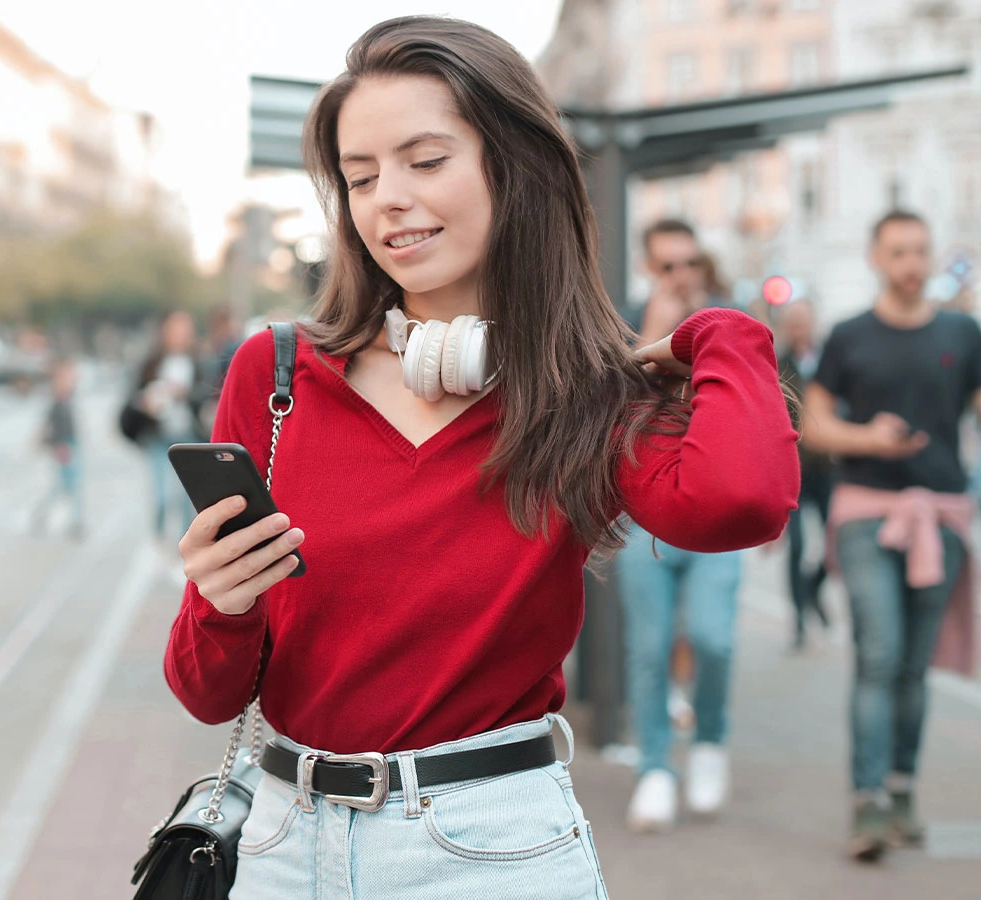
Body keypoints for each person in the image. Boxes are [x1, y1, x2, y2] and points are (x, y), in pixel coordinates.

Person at [162, 17, 796, 897]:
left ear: (514, 167)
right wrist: (218, 602)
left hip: (492, 851)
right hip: (282, 847)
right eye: (360, 176)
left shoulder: (589, 392)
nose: (387, 197)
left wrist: (726, 335)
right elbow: (206, 693)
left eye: (425, 162)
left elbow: (739, 505)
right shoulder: (275, 379)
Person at [802, 210, 981, 862]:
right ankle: (868, 803)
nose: (912, 262)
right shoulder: (849, 336)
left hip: (944, 515)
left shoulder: (962, 333)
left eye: (920, 251)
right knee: (879, 652)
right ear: (877, 258)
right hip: (865, 512)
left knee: (913, 666)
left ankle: (902, 790)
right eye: (899, 251)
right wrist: (865, 437)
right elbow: (814, 423)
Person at [614, 218, 749, 833]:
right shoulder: (624, 324)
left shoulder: (727, 323)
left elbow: (751, 410)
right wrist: (652, 337)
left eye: (689, 263)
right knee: (649, 647)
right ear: (649, 268)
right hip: (645, 517)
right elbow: (612, 411)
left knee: (713, 637)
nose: (681, 276)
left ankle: (711, 741)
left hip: (715, 512)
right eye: (667, 266)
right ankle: (654, 768)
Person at [776, 300, 834, 650]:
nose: (799, 329)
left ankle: (814, 588)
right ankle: (798, 619)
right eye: (793, 323)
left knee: (836, 542)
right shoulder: (777, 363)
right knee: (796, 546)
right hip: (793, 470)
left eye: (804, 322)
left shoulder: (829, 361)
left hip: (827, 468)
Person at [132, 309, 205, 539]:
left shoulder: (197, 361)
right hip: (158, 436)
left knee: (187, 499)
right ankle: (159, 540)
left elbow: (207, 395)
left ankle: (185, 549)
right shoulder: (152, 362)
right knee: (161, 497)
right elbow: (134, 396)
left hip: (188, 436)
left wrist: (185, 393)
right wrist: (147, 401)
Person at [31, 358, 84, 540]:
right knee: (67, 487)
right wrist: (60, 447)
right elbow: (54, 428)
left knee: (66, 486)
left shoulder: (66, 399)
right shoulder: (57, 403)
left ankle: (70, 519)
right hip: (64, 446)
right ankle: (73, 521)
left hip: (70, 445)